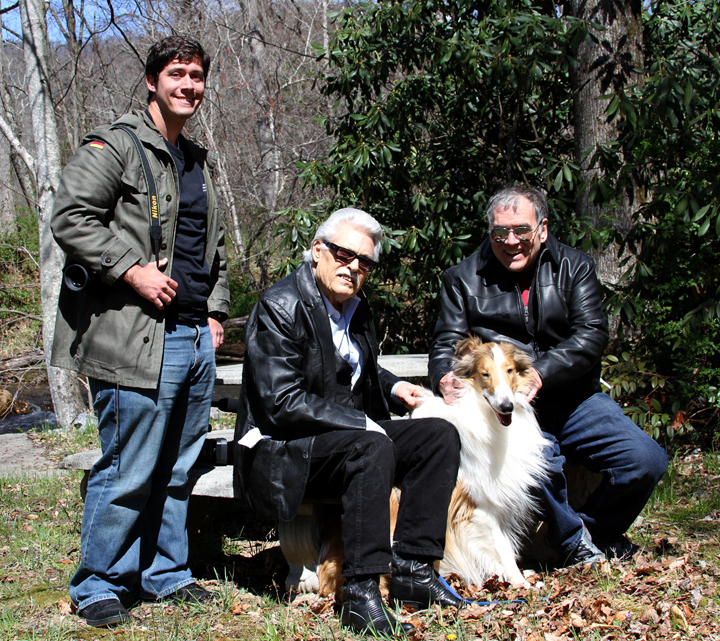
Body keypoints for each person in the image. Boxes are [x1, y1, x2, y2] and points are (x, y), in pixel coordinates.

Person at [51, 36, 229, 627]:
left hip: (192, 336)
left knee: (179, 466)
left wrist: (215, 314)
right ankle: (99, 580)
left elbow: (214, 249)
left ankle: (165, 573)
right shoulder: (117, 146)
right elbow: (71, 216)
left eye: (196, 76)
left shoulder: (196, 160)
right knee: (128, 464)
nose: (188, 85)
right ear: (152, 81)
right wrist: (131, 269)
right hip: (135, 336)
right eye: (176, 74)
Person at [233, 208, 462, 636]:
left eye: (365, 262)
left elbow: (353, 368)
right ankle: (360, 592)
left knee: (438, 435)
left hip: (340, 442)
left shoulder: (354, 307)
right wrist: (360, 423)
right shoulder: (280, 305)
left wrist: (393, 389)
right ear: (318, 250)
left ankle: (414, 570)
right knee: (371, 444)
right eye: (343, 254)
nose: (354, 267)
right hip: (284, 451)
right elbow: (281, 401)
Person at [429, 185, 667, 565]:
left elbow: (591, 334)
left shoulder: (574, 266)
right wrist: (443, 376)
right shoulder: (462, 278)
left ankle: (588, 534)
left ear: (542, 228)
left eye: (521, 231)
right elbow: (447, 342)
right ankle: (574, 542)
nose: (510, 242)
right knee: (541, 462)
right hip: (508, 407)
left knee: (645, 459)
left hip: (573, 399)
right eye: (499, 233)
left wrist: (541, 372)